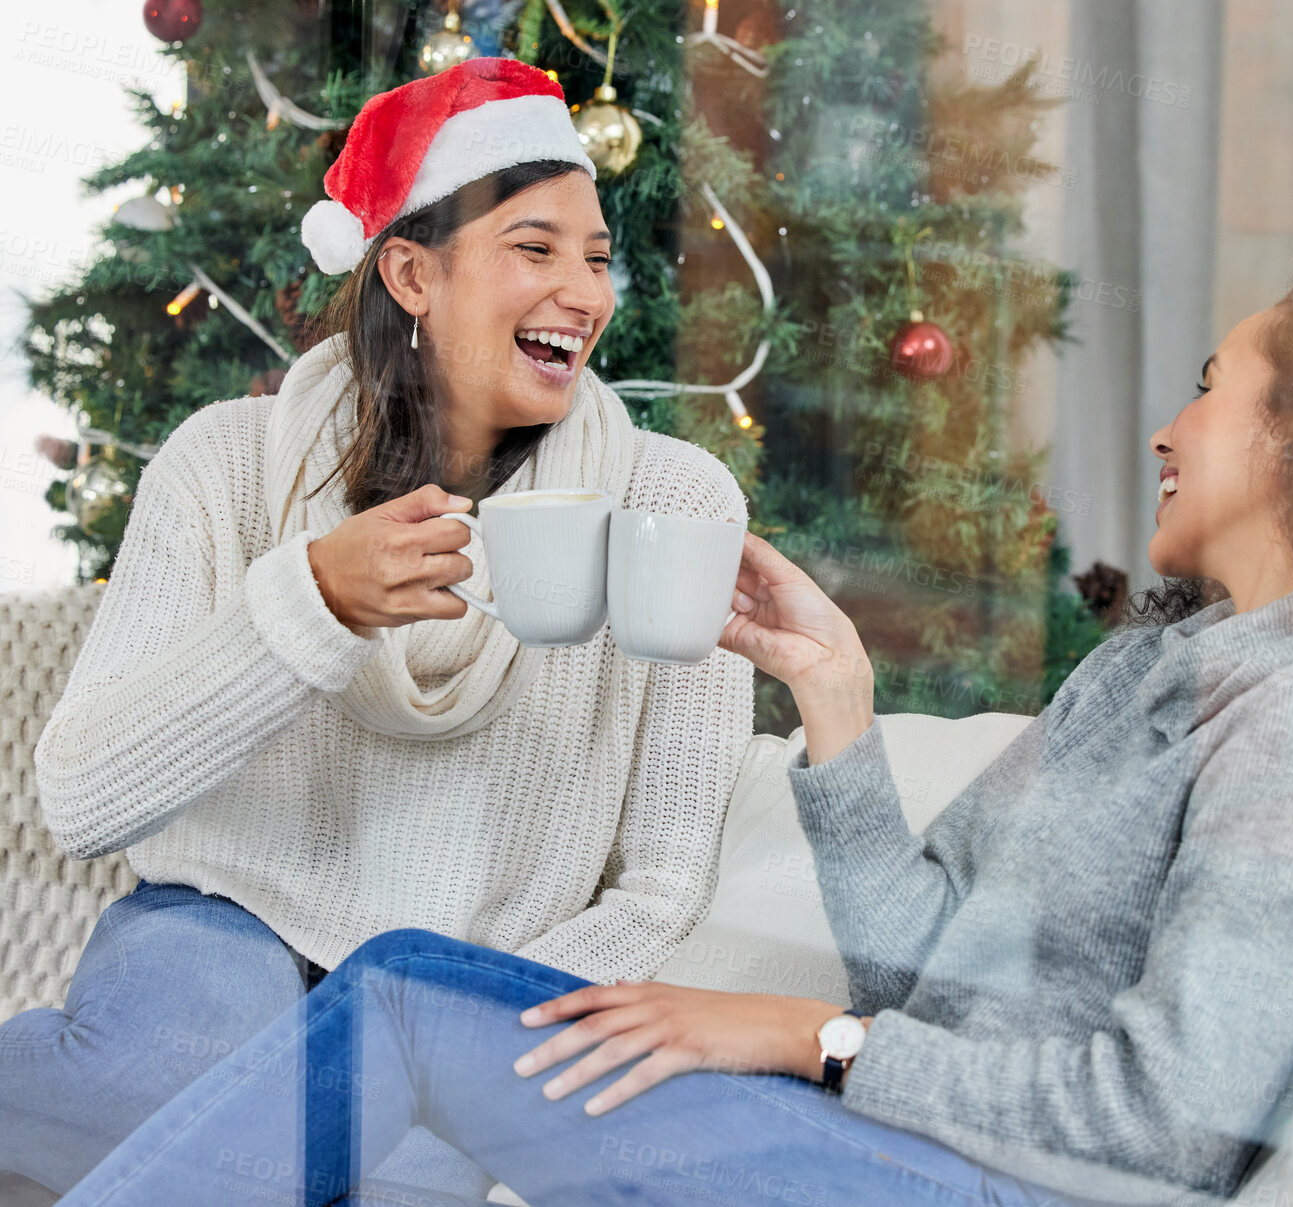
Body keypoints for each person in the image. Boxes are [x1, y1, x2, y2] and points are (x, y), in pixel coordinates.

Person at [50, 264, 1293, 1207]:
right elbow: (928, 973)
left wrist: (805, 1037)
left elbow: (1173, 1118)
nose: (1166, 425)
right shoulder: (1150, 673)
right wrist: (836, 705)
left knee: (403, 997)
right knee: (412, 1000)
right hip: (926, 1150)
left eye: (1213, 389)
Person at [2, 60, 754, 1204]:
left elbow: (659, 887)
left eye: (596, 258)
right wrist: (306, 607)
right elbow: (84, 801)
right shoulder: (223, 464)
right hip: (225, 924)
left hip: (474, 970)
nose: (585, 293)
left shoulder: (674, 506)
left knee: (399, 1163)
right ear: (409, 270)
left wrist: (450, 1023)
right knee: (175, 1075)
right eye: (535, 249)